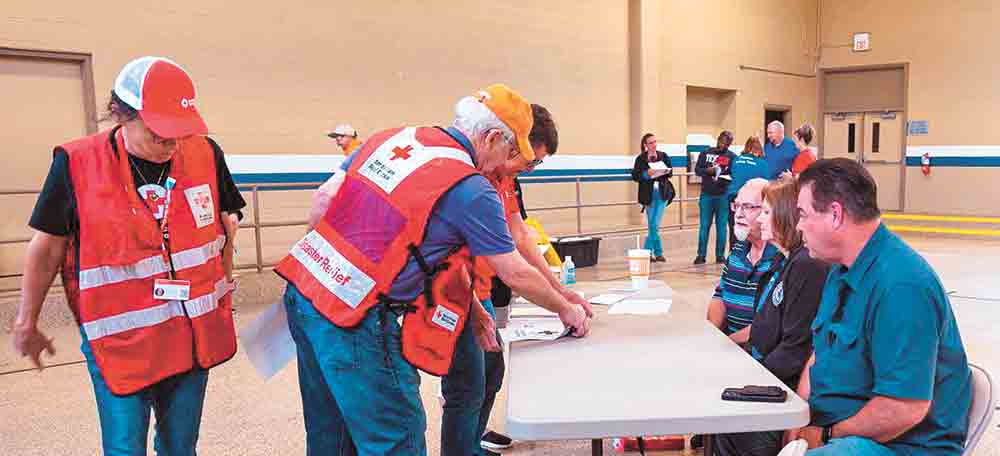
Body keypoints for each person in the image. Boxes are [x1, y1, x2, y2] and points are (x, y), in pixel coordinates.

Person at [279, 84, 592, 455]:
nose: (507, 167)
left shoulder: (394, 138)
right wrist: (566, 309)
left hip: (304, 292)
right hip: (356, 318)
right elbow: (515, 273)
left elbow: (322, 203)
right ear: (491, 137)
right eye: (510, 152)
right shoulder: (471, 187)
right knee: (397, 437)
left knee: (331, 434)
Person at [12, 56, 244, 455]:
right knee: (124, 448)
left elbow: (227, 221)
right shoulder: (77, 164)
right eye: (159, 135)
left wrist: (223, 281)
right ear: (121, 115)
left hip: (189, 337)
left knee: (181, 447)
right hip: (121, 342)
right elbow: (47, 247)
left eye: (179, 134)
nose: (171, 145)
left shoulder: (204, 152)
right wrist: (26, 322)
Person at [786, 158, 972, 455]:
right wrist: (797, 422)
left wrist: (825, 435)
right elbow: (819, 355)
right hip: (839, 430)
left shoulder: (901, 286)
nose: (798, 226)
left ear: (835, 215)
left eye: (803, 214)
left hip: (901, 445)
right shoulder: (841, 270)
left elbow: (904, 408)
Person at [446, 103, 590, 456]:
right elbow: (514, 270)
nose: (528, 168)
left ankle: (473, 443)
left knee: (490, 374)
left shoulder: (506, 176)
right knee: (465, 387)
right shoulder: (471, 177)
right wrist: (563, 308)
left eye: (534, 163)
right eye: (527, 160)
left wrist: (561, 291)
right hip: (455, 289)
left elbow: (520, 235)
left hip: (481, 288)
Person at [711, 176, 828, 456]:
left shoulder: (805, 265)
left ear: (784, 216)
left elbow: (796, 347)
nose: (760, 220)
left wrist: (751, 379)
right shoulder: (783, 261)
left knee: (733, 425)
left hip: (780, 381)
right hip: (762, 365)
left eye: (765, 212)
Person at [706, 178, 779, 342]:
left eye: (747, 207)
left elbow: (769, 323)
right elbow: (720, 295)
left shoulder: (781, 258)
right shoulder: (738, 249)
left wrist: (728, 343)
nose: (738, 214)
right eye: (736, 205)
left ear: (768, 210)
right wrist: (711, 334)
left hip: (758, 350)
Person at [630, 133, 675, 262]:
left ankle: (646, 253)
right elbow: (635, 176)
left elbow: (670, 172)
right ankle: (658, 253)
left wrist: (663, 170)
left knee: (655, 224)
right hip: (648, 195)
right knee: (652, 226)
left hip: (662, 194)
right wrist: (646, 174)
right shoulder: (640, 159)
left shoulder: (663, 156)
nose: (654, 144)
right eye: (651, 142)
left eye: (655, 141)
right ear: (645, 145)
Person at [694, 131, 736, 264]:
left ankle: (720, 255)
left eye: (726, 143)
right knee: (704, 226)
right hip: (706, 194)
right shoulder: (706, 153)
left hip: (723, 195)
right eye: (722, 141)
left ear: (730, 144)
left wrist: (726, 177)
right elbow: (697, 170)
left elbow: (734, 174)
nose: (723, 145)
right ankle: (701, 255)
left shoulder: (732, 157)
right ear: (718, 139)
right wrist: (708, 171)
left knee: (722, 226)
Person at [727, 135, 770, 249]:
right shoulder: (762, 163)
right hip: (750, 202)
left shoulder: (736, 160)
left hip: (734, 199)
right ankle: (751, 256)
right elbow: (766, 183)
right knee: (752, 230)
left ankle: (734, 255)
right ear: (759, 149)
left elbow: (734, 175)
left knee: (735, 228)